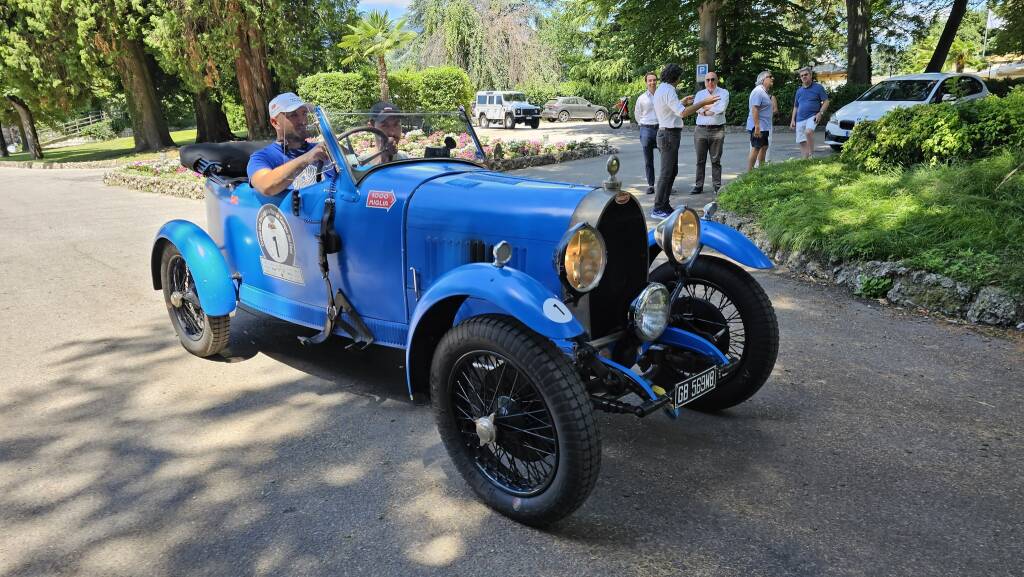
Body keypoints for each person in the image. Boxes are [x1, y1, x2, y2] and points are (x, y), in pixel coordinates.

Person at [651, 63, 721, 219]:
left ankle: (664, 204)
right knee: (666, 172)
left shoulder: (663, 89)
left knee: (671, 171)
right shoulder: (668, 90)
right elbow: (682, 114)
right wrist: (702, 103)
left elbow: (670, 108)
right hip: (668, 134)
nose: (679, 81)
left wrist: (682, 101)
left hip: (667, 134)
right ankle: (658, 208)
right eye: (679, 78)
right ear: (675, 77)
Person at [247, 92, 331, 196]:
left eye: (304, 113)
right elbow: (266, 186)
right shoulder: (262, 157)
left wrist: (337, 148)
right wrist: (308, 158)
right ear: (275, 122)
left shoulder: (320, 149)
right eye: (294, 115)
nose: (303, 121)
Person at [690, 70, 729, 195]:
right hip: (701, 130)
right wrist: (711, 108)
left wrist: (704, 108)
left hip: (717, 130)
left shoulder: (724, 93)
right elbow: (696, 109)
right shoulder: (700, 94)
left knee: (716, 160)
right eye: (708, 80)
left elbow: (721, 108)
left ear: (717, 80)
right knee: (700, 160)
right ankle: (698, 186)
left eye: (713, 79)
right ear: (705, 82)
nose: (710, 82)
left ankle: (717, 186)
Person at [790, 66, 830, 159]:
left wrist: (820, 113)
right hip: (799, 118)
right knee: (801, 140)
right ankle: (805, 159)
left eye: (806, 75)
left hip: (812, 116)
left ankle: (811, 155)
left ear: (810, 75)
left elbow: (826, 101)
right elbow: (796, 106)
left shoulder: (818, 88)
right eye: (802, 75)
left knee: (808, 132)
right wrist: (792, 120)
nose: (804, 77)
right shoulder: (799, 91)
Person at [634, 72, 659, 195]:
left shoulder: (661, 96)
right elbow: (637, 114)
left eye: (654, 80)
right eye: (650, 80)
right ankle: (651, 185)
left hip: (661, 129)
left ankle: (667, 185)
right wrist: (644, 125)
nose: (652, 82)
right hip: (646, 129)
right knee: (648, 160)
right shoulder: (641, 98)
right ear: (646, 82)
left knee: (666, 159)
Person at [746, 71, 774, 172]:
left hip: (764, 126)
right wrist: (757, 127)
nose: (772, 78)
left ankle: (760, 170)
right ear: (763, 79)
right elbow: (754, 109)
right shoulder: (758, 91)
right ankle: (749, 173)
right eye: (770, 77)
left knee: (764, 147)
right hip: (759, 126)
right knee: (756, 148)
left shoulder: (764, 92)